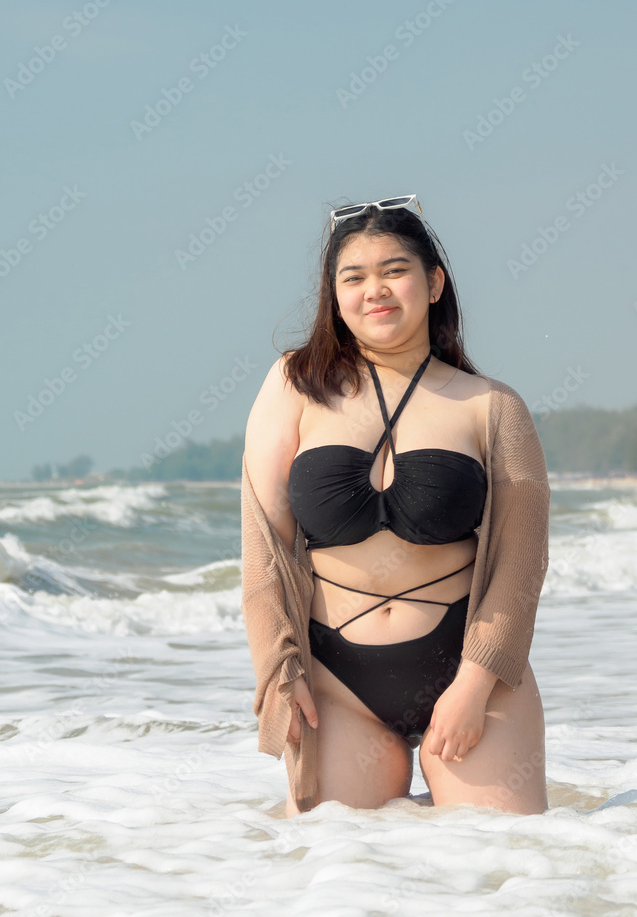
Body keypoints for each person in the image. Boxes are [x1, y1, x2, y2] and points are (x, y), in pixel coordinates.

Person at [240, 194, 551, 815]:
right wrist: (280, 667)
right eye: (353, 277)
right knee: (339, 872)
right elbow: (263, 547)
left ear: (434, 283)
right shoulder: (293, 386)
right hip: (336, 685)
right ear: (335, 296)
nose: (374, 290)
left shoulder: (492, 406)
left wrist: (471, 684)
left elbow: (521, 568)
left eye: (394, 271)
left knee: (505, 868)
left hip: (468, 672)